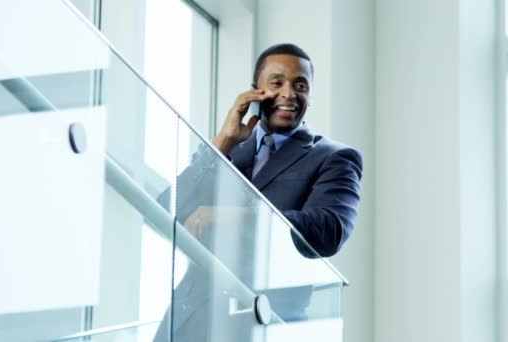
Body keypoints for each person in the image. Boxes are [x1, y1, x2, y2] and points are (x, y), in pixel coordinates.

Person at [155, 43, 362, 341]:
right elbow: (165, 210)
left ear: (310, 95)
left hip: (264, 323)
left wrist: (233, 215)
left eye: (300, 85)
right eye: (276, 83)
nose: (289, 94)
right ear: (255, 92)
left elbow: (328, 230)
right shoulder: (224, 151)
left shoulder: (334, 157)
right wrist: (223, 141)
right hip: (189, 321)